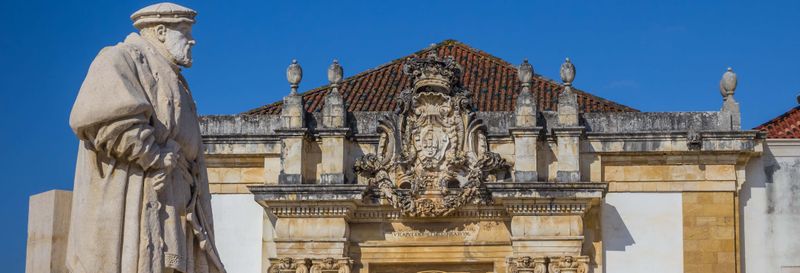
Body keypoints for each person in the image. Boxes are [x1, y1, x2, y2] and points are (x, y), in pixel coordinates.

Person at [66, 3, 225, 273]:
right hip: (141, 200)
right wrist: (154, 154)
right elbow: (103, 117)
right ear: (161, 31)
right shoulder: (121, 59)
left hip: (177, 205)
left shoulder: (177, 81)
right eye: (185, 32)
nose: (192, 40)